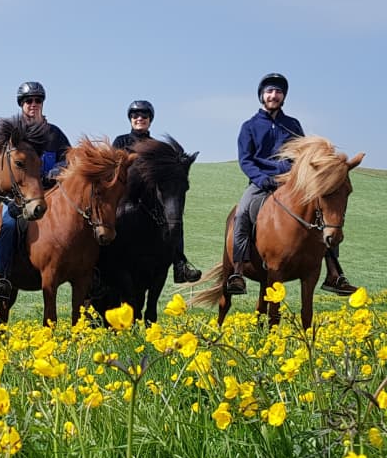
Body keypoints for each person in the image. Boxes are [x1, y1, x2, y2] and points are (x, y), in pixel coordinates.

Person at [226, 73, 357, 296]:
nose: (273, 95)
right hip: (261, 183)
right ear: (262, 96)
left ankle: (334, 274)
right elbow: (245, 160)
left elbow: (305, 155)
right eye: (269, 91)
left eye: (278, 92)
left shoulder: (292, 124)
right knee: (242, 213)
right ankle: (238, 271)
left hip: (292, 183)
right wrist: (261, 178)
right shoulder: (249, 126)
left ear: (283, 96)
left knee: (326, 216)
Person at [0, 81, 71, 299]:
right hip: (18, 196)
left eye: (37, 100)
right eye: (28, 101)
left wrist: (56, 170)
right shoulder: (12, 135)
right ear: (21, 104)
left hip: (50, 195)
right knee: (8, 223)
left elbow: (68, 159)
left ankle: (90, 275)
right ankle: (3, 275)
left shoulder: (55, 134)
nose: (33, 104)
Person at [112, 100, 202, 284]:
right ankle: (98, 266)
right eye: (135, 115)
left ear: (150, 120)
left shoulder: (158, 146)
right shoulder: (121, 141)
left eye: (144, 116)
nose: (139, 118)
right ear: (130, 119)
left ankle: (179, 263)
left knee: (175, 218)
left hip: (151, 199)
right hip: (124, 195)